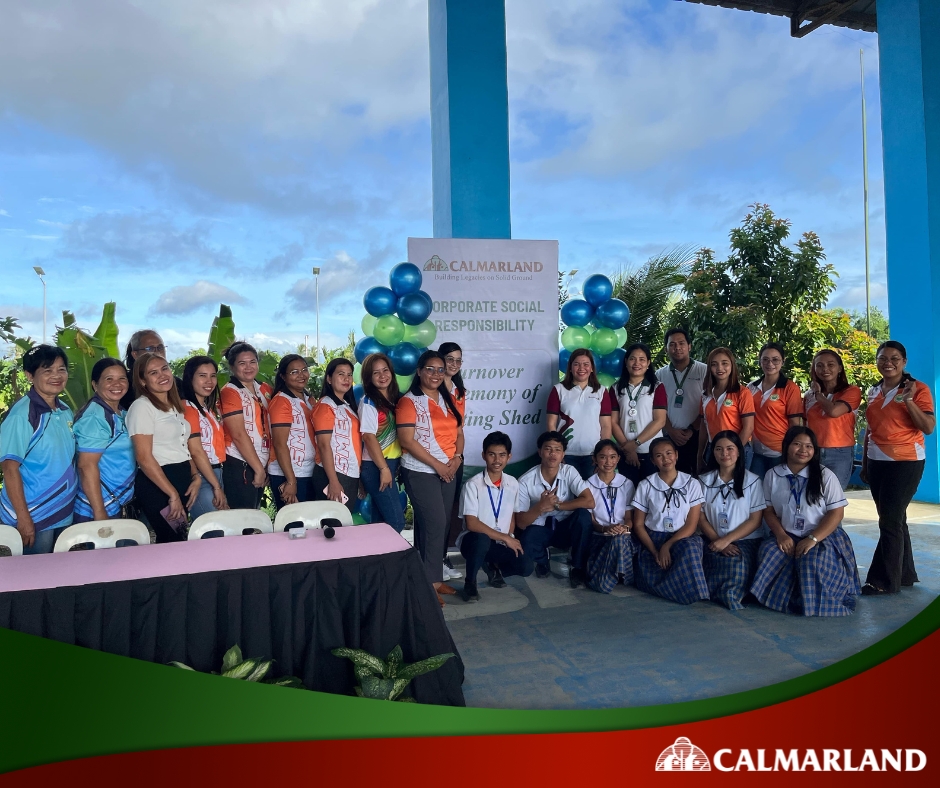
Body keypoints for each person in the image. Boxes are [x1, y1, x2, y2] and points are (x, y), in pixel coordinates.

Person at [751, 425, 859, 615]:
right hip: (788, 534)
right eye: (797, 444)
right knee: (769, 552)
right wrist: (781, 535)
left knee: (811, 560)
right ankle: (785, 599)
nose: (803, 450)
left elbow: (836, 513)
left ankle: (816, 601)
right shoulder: (773, 475)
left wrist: (813, 539)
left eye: (809, 446)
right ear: (786, 446)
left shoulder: (825, 475)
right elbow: (768, 511)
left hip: (822, 536)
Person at [860, 341, 936, 595]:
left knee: (889, 521)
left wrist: (909, 401)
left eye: (894, 358)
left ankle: (883, 581)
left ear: (904, 362)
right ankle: (904, 573)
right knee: (897, 520)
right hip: (877, 461)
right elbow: (870, 430)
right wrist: (866, 461)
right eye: (882, 358)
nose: (888, 363)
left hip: (905, 462)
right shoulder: (873, 390)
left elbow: (927, 427)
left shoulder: (918, 389)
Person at [397, 350, 465, 603]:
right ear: (418, 371)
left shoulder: (448, 399)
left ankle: (433, 580)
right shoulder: (409, 402)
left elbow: (459, 432)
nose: (436, 374)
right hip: (420, 470)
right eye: (430, 369)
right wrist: (438, 465)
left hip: (449, 469)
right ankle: (426, 584)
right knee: (434, 522)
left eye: (440, 369)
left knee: (439, 524)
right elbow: (407, 440)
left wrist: (457, 458)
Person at [0, 345, 77, 554]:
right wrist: (23, 519)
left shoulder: (65, 410)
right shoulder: (23, 415)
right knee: (36, 579)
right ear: (29, 375)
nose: (56, 376)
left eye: (61, 369)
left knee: (59, 575)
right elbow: (9, 469)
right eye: (47, 370)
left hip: (62, 511)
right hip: (34, 514)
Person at [127, 352, 200, 543]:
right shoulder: (142, 407)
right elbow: (143, 457)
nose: (162, 375)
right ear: (142, 381)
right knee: (170, 539)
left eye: (164, 368)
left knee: (178, 537)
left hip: (180, 477)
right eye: (153, 373)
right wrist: (172, 493)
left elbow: (181, 445)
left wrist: (195, 477)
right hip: (158, 484)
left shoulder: (173, 406)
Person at [631, 436, 709, 604]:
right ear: (652, 460)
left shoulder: (692, 483)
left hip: (681, 536)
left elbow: (691, 524)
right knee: (652, 568)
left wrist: (668, 545)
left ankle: (691, 593)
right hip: (653, 538)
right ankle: (675, 589)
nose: (665, 459)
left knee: (691, 548)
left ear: (676, 455)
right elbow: (638, 525)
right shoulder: (645, 485)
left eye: (668, 453)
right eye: (659, 456)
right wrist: (655, 551)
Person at [457, 431, 533, 602]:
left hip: (498, 542)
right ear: (484, 456)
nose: (497, 460)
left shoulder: (513, 483)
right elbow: (471, 523)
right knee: (481, 540)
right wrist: (505, 538)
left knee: (526, 567)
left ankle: (493, 566)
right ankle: (470, 582)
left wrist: (510, 537)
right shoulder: (473, 485)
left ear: (509, 457)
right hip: (473, 541)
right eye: (492, 455)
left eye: (502, 455)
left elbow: (512, 516)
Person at [515, 431, 595, 588]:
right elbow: (521, 523)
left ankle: (577, 567)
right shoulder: (525, 481)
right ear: (540, 452)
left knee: (583, 516)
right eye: (548, 449)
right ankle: (543, 560)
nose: (553, 454)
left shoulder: (569, 471)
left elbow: (589, 501)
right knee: (527, 540)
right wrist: (540, 507)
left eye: (557, 450)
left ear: (563, 453)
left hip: (565, 526)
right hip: (541, 528)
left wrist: (557, 505)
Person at [698, 431, 766, 610]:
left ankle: (730, 597)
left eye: (730, 448)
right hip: (712, 538)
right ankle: (709, 593)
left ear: (739, 452)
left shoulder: (752, 481)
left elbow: (755, 520)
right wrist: (717, 540)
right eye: (719, 449)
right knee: (702, 558)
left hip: (745, 540)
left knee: (735, 563)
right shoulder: (704, 481)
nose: (724, 454)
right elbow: (700, 516)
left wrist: (726, 541)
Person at [73, 358, 136, 523]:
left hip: (118, 500)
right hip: (97, 506)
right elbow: (86, 466)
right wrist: (99, 512)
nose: (117, 384)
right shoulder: (95, 418)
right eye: (109, 379)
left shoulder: (122, 412)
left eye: (122, 378)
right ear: (95, 384)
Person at [219, 341, 272, 509]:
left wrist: (266, 465)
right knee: (243, 520)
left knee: (253, 513)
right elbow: (238, 435)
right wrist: (259, 469)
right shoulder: (230, 392)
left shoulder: (264, 388)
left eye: (252, 362)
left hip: (261, 460)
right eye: (242, 363)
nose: (248, 367)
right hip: (239, 462)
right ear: (232, 367)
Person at [358, 353, 406, 533]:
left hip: (391, 463)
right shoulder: (368, 402)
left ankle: (376, 560)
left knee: (380, 524)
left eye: (385, 370)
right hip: (376, 465)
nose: (382, 375)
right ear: (368, 378)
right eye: (376, 373)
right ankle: (388, 561)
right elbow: (369, 437)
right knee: (396, 522)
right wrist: (384, 469)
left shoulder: (396, 400)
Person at [547, 348, 612, 479]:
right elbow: (551, 424)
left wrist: (602, 453)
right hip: (566, 454)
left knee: (591, 496)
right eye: (576, 364)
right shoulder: (558, 390)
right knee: (566, 496)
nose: (581, 368)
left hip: (592, 455)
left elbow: (606, 426)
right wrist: (557, 452)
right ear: (570, 368)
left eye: (586, 364)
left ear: (592, 368)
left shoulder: (601, 391)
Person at [805, 349, 862, 491]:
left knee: (834, 498)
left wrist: (818, 394)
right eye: (819, 365)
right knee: (812, 497)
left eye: (831, 365)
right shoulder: (808, 396)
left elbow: (834, 411)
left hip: (839, 453)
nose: (825, 369)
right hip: (813, 451)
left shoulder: (851, 391)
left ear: (839, 368)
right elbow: (804, 423)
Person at [584, 439, 636, 594]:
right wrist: (605, 528)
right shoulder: (587, 485)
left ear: (618, 459)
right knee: (616, 540)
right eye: (603, 457)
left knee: (620, 539)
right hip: (599, 536)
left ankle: (610, 578)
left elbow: (629, 518)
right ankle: (621, 576)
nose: (608, 462)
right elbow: (591, 520)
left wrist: (623, 528)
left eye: (613, 457)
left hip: (623, 535)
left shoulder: (626, 483)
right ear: (594, 459)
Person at [180, 356, 229, 520]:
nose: (209, 381)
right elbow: (195, 450)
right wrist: (216, 486)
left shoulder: (205, 408)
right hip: (201, 478)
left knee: (221, 528)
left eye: (213, 375)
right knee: (214, 529)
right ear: (189, 377)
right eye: (202, 375)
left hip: (216, 474)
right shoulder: (187, 408)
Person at [610, 343, 666, 484]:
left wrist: (635, 444)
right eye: (632, 359)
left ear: (648, 363)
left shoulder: (657, 387)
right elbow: (613, 421)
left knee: (652, 495)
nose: (637, 363)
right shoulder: (616, 388)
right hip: (625, 452)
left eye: (642, 359)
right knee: (628, 496)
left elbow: (660, 421)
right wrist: (627, 448)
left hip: (652, 452)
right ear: (626, 361)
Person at [746, 342, 804, 479]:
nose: (770, 363)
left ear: (783, 361)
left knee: (778, 492)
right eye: (765, 359)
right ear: (760, 361)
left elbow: (794, 424)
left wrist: (792, 451)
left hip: (779, 452)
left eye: (775, 359)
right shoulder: (751, 388)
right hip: (756, 451)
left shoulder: (790, 388)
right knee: (756, 492)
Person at [312, 358, 362, 512]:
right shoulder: (326, 406)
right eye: (341, 374)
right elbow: (323, 445)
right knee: (333, 525)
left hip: (348, 472)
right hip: (334, 473)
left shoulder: (345, 405)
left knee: (344, 524)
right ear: (328, 378)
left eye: (349, 374)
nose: (346, 379)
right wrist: (333, 481)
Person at [656, 329, 708, 475]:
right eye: (672, 344)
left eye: (681, 343)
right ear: (666, 348)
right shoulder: (659, 375)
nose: (677, 348)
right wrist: (671, 430)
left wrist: (691, 429)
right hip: (669, 436)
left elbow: (709, 404)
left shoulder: (704, 371)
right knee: (671, 478)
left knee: (697, 478)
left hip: (697, 435)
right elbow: (657, 407)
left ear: (689, 346)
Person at [267, 354, 316, 510]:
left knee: (310, 524)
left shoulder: (308, 399)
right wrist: (291, 481)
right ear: (283, 376)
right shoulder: (282, 401)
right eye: (294, 372)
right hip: (290, 474)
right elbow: (280, 444)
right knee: (295, 526)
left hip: (309, 471)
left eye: (304, 370)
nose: (301, 375)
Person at [698, 347, 755, 472]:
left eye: (724, 363)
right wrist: (699, 454)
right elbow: (703, 426)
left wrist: (734, 452)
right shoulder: (705, 394)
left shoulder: (743, 393)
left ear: (732, 366)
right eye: (714, 364)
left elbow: (748, 427)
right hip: (713, 449)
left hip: (739, 449)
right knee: (713, 488)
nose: (719, 368)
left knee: (737, 489)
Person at [439, 341, 467, 581]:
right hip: (434, 461)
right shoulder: (431, 389)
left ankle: (442, 558)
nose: (454, 364)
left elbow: (459, 430)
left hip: (454, 459)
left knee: (447, 514)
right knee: (432, 515)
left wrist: (457, 458)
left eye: (459, 360)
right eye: (450, 359)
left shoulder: (460, 391)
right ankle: (430, 561)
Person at [120, 328, 168, 409]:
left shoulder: (175, 383)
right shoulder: (125, 385)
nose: (157, 352)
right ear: (135, 354)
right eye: (150, 349)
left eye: (160, 347)